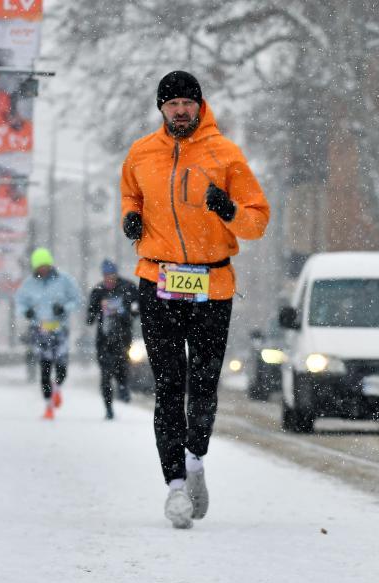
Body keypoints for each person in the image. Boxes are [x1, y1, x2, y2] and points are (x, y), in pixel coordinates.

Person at [120, 71, 270, 529]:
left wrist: (227, 208)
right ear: (161, 109)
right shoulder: (141, 152)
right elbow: (130, 194)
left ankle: (194, 461)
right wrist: (130, 217)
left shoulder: (225, 154)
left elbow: (256, 221)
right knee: (168, 386)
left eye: (188, 103)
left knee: (203, 385)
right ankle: (175, 487)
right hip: (158, 279)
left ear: (200, 106)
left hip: (212, 284)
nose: (180, 110)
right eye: (172, 104)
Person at [14, 248, 82, 420]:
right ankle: (48, 406)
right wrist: (26, 311)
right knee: (44, 370)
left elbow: (77, 299)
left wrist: (64, 308)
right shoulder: (29, 284)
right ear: (35, 268)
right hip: (40, 331)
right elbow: (19, 302)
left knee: (61, 370)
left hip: (60, 331)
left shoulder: (64, 280)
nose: (43, 270)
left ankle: (57, 389)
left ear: (50, 265)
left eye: (45, 266)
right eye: (39, 267)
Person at [86, 259, 139, 420]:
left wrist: (126, 313)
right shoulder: (98, 291)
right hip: (104, 340)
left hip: (123, 339)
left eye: (112, 276)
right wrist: (94, 312)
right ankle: (108, 409)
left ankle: (124, 389)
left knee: (122, 368)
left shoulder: (128, 287)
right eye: (106, 276)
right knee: (105, 375)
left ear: (116, 275)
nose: (109, 279)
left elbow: (138, 308)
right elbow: (89, 317)